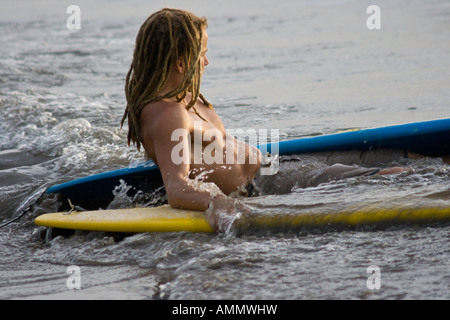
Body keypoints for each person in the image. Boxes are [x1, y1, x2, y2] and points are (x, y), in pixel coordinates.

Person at [121, 8, 407, 231]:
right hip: (265, 186)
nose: (206, 63)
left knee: (376, 163)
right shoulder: (169, 114)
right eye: (202, 55)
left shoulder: (186, 98)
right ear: (181, 63)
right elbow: (177, 189)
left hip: (273, 170)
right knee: (388, 176)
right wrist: (216, 202)